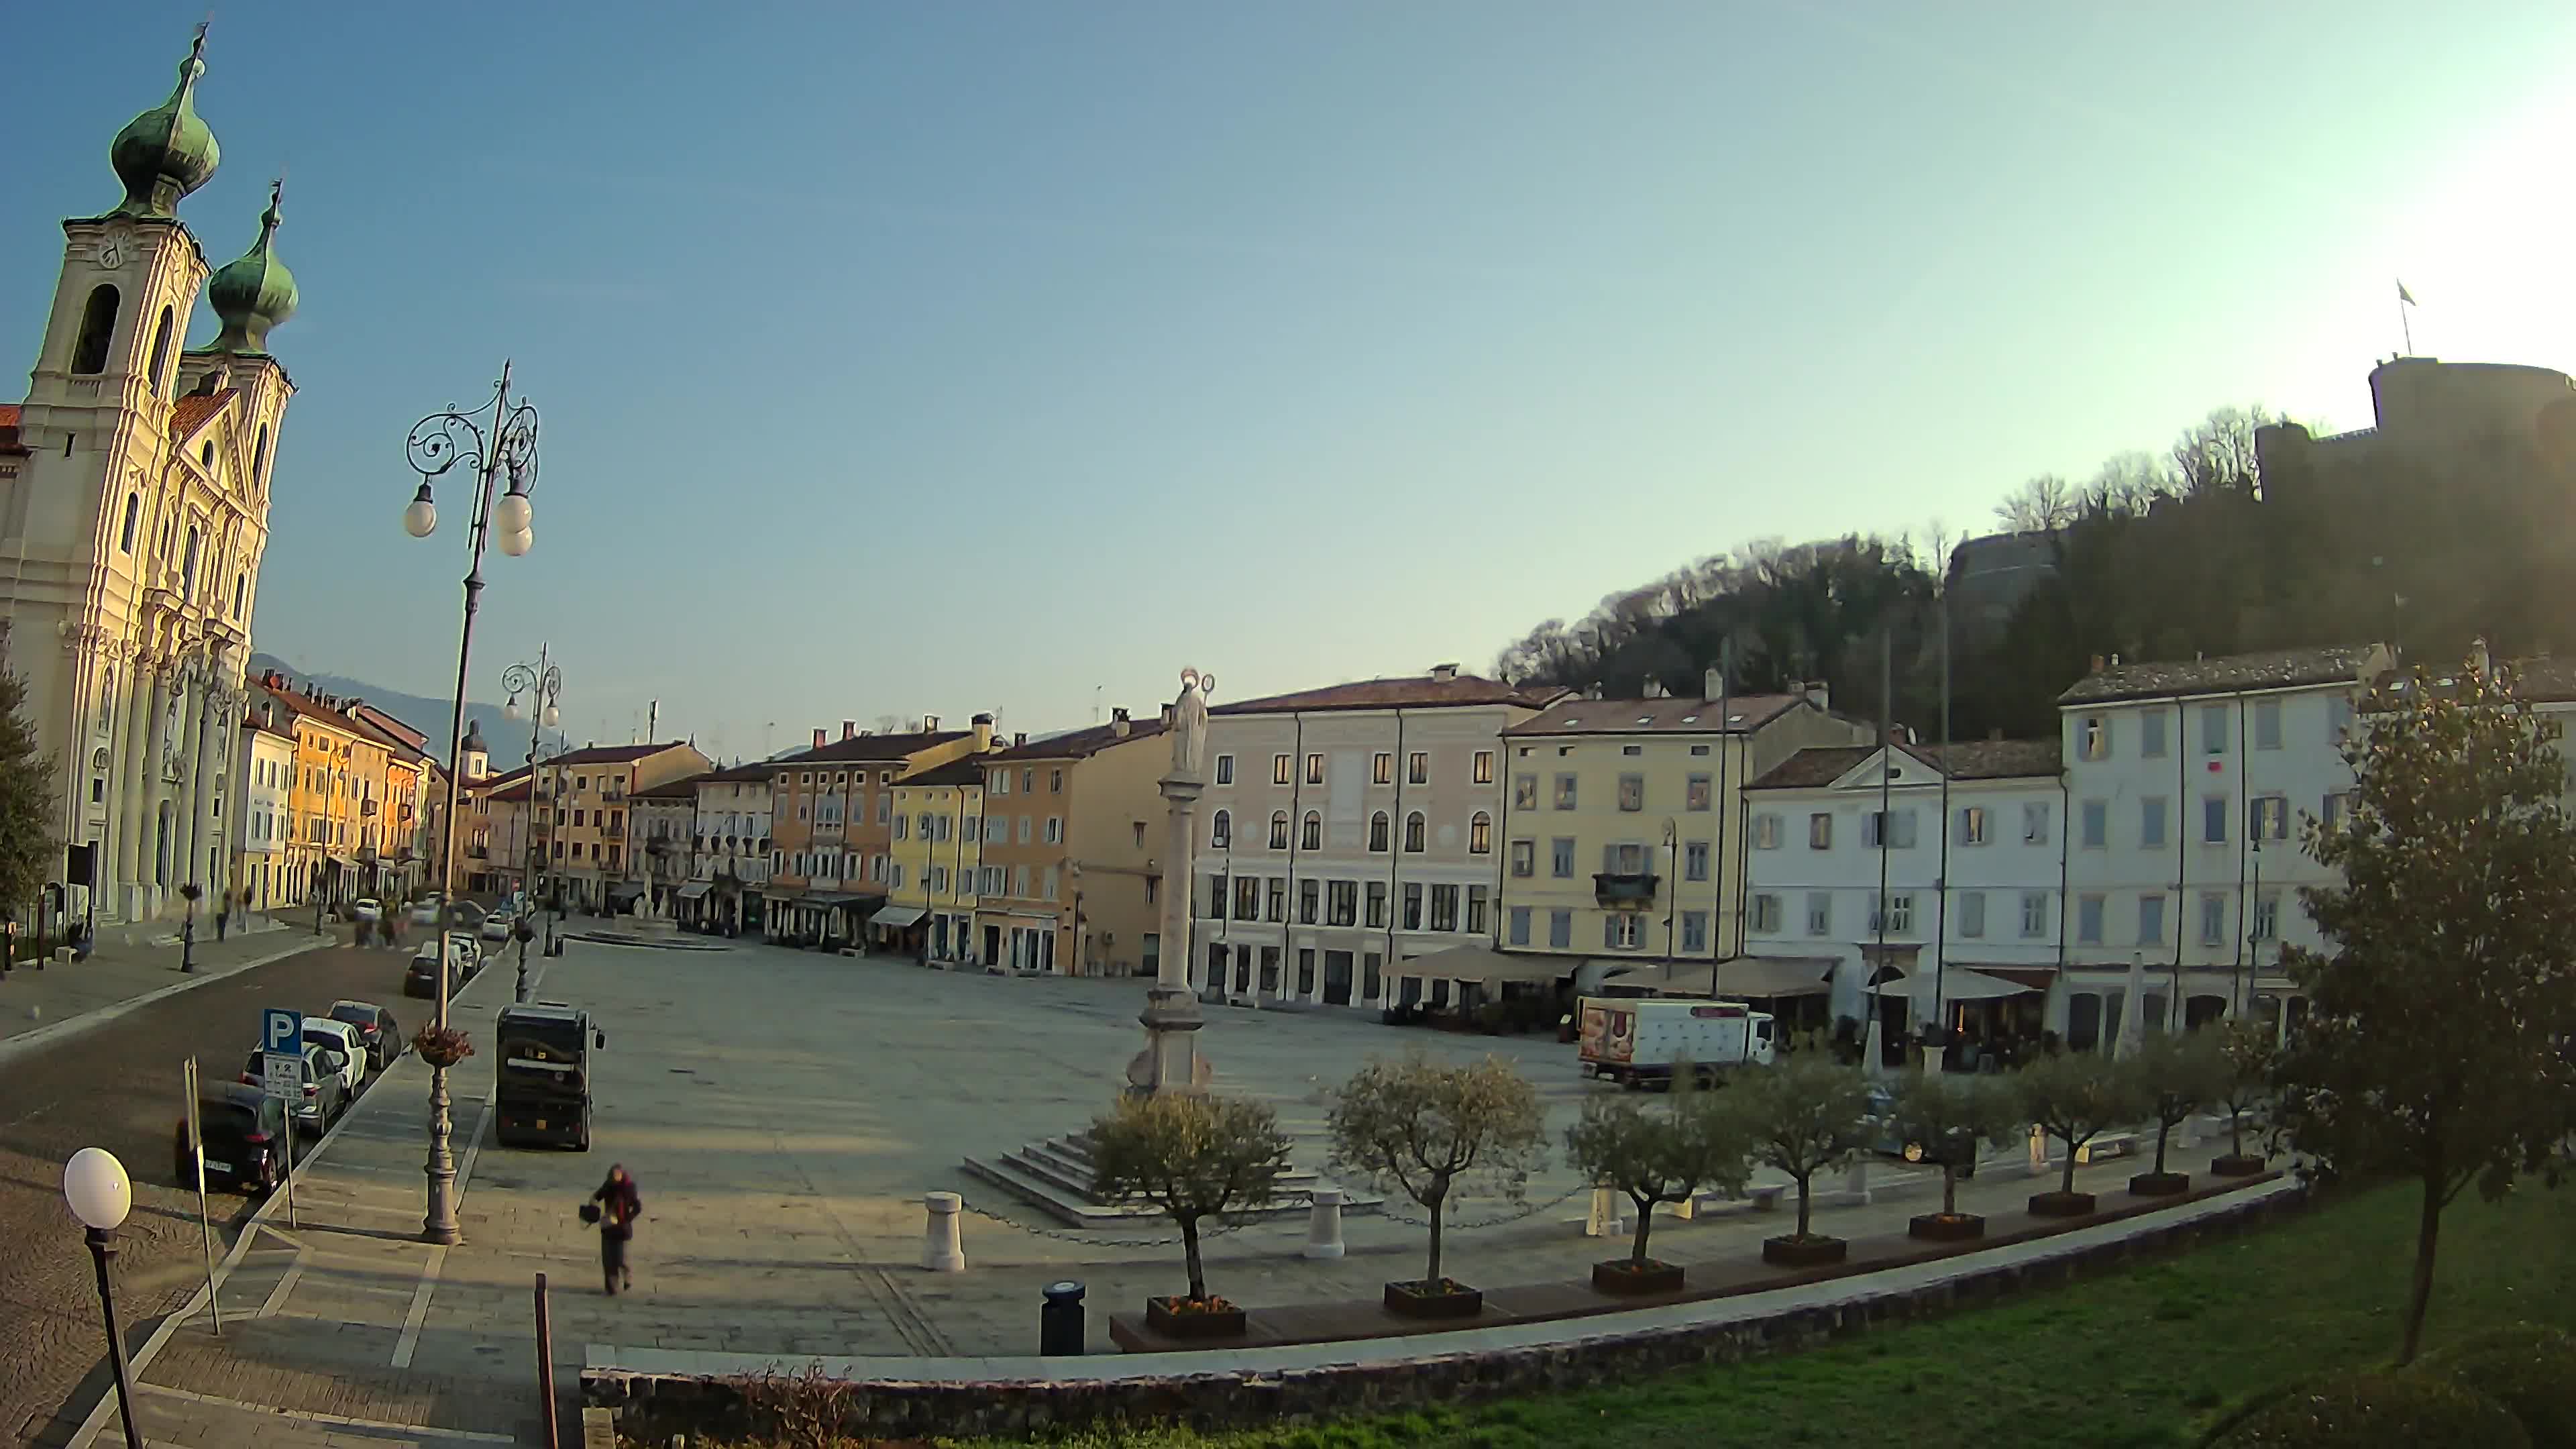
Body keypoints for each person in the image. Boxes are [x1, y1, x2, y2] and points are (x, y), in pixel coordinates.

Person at [590, 1165, 642, 1295]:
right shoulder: (608, 1185)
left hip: (623, 1229)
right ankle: (611, 1288)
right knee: (608, 1260)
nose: (612, 1183)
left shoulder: (629, 1188)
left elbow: (637, 1206)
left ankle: (628, 1276)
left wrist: (628, 1218)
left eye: (614, 1181)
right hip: (608, 1227)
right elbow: (597, 1196)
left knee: (622, 1259)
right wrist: (593, 1205)